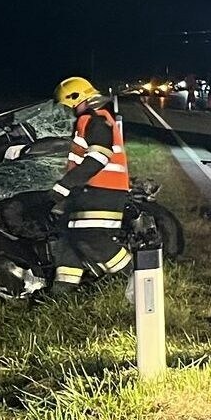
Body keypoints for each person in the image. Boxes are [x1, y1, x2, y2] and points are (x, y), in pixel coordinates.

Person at [49, 76, 134, 289]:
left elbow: (97, 159)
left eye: (67, 106)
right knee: (70, 240)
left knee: (91, 238)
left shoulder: (95, 120)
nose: (65, 112)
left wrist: (64, 186)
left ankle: (134, 279)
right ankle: (62, 294)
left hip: (103, 191)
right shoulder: (87, 121)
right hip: (88, 191)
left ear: (78, 99)